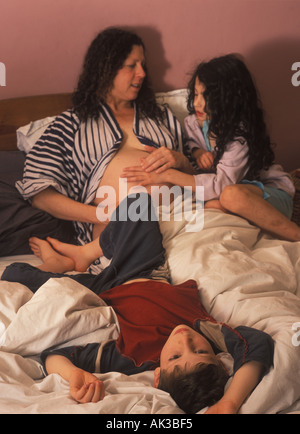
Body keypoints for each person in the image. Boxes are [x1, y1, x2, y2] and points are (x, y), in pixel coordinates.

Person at [1, 193, 274, 414]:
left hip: (101, 293)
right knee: (138, 204)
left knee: (15, 273)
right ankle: (84, 254)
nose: (184, 341)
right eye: (200, 350)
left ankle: (58, 266)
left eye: (175, 357)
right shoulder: (209, 331)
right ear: (220, 359)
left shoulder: (134, 357)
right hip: (146, 272)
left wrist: (74, 374)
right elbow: (257, 344)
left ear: (157, 376)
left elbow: (54, 354)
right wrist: (230, 402)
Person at [15, 27, 191, 271]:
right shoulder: (71, 124)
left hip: (182, 219)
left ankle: (75, 258)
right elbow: (40, 194)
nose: (141, 73)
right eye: (131, 65)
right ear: (105, 68)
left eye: (143, 65)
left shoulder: (162, 117)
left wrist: (180, 160)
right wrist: (101, 215)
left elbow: (200, 179)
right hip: (115, 236)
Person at [121, 54, 300, 242]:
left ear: (228, 99)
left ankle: (294, 234)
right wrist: (197, 152)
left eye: (206, 96)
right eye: (196, 94)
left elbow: (222, 185)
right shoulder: (195, 122)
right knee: (214, 206)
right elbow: (191, 143)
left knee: (230, 196)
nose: (197, 102)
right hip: (230, 193)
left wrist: (167, 175)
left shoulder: (239, 136)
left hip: (269, 195)